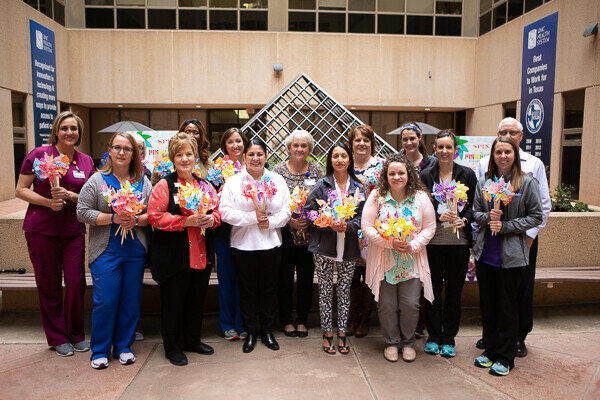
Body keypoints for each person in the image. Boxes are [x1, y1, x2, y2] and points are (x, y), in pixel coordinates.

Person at [15, 111, 94, 357]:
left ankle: (76, 334)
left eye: (74, 128)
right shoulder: (39, 155)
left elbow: (92, 198)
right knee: (48, 284)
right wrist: (48, 202)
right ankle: (58, 337)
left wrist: (72, 196)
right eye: (64, 128)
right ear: (56, 131)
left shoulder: (86, 162)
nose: (69, 132)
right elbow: (20, 189)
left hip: (73, 231)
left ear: (79, 132)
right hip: (42, 231)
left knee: (75, 282)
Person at [473, 117, 551, 357]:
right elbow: (476, 212)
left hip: (513, 252)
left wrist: (506, 226)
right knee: (489, 303)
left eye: (507, 151)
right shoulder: (485, 182)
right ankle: (490, 348)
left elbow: (537, 215)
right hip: (487, 252)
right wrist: (488, 218)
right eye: (498, 152)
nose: (502, 156)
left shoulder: (527, 182)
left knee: (509, 304)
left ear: (515, 153)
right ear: (493, 155)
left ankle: (506, 356)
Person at [77, 132, 152, 369]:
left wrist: (136, 221)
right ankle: (99, 349)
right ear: (109, 151)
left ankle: (124, 346)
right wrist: (113, 218)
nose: (121, 152)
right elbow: (82, 211)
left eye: (127, 149)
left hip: (134, 250)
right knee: (106, 300)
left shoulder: (143, 181)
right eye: (117, 147)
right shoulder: (97, 181)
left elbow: (152, 214)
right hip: (106, 251)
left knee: (130, 301)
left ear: (134, 154)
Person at [147, 132, 221, 366]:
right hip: (174, 256)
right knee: (174, 302)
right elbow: (154, 217)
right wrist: (183, 222)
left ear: (196, 156)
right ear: (172, 159)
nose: (185, 159)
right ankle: (173, 347)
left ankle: (192, 340)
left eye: (189, 154)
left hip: (200, 254)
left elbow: (217, 212)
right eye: (179, 155)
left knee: (195, 300)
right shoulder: (164, 185)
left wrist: (213, 220)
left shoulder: (205, 185)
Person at [361, 153, 436, 363]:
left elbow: (430, 227)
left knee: (411, 304)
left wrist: (413, 245)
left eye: (401, 172)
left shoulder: (420, 197)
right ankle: (391, 343)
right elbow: (366, 226)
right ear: (386, 175)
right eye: (392, 173)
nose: (396, 177)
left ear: (409, 174)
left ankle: (408, 342)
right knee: (386, 305)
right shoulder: (377, 196)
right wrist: (389, 243)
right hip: (385, 259)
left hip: (411, 260)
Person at [219, 139, 292, 353]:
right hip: (243, 244)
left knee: (269, 288)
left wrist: (271, 222)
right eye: (251, 154)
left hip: (271, 242)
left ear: (266, 156)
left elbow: (287, 209)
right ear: (244, 157)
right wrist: (252, 217)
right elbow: (224, 211)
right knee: (247, 290)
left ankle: (267, 330)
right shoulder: (234, 182)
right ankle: (250, 331)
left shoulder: (277, 180)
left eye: (260, 154)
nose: (255, 158)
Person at [419, 130, 477, 358]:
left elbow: (474, 206)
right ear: (434, 148)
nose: (444, 151)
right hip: (433, 242)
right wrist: (435, 215)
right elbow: (420, 207)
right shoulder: (425, 176)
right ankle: (433, 336)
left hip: (459, 244)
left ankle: (449, 337)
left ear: (455, 150)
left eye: (449, 147)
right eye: (440, 147)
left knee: (454, 292)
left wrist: (464, 219)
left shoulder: (467, 174)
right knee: (432, 291)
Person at [304, 143, 365, 355]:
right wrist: (325, 221)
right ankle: (327, 333)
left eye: (343, 156)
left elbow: (363, 218)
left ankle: (342, 334)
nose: (339, 159)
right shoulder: (322, 185)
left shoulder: (358, 187)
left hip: (348, 248)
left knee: (345, 292)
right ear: (330, 160)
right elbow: (308, 211)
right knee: (325, 291)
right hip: (324, 247)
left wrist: (348, 226)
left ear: (349, 160)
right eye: (335, 156)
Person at [273, 129, 324, 338]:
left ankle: (302, 320)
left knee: (305, 277)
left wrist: (308, 221)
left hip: (310, 233)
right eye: (296, 145)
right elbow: (273, 203)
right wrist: (289, 221)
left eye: (304, 146)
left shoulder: (317, 170)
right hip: (284, 232)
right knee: (283, 277)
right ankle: (286, 319)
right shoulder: (277, 171)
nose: (300, 149)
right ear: (289, 148)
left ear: (310, 149)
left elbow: (323, 200)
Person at [347, 125, 384, 338]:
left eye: (366, 140)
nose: (362, 144)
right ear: (351, 143)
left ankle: (365, 318)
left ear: (372, 143)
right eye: (357, 140)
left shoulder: (381, 165)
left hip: (373, 229)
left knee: (370, 276)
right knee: (351, 275)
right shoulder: (345, 164)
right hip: (350, 229)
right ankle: (351, 316)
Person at [399, 121, 435, 338]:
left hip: (423, 228)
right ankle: (402, 323)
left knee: (421, 277)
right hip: (400, 229)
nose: (409, 142)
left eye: (413, 138)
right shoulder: (396, 161)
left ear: (420, 138)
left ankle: (420, 325)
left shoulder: (431, 164)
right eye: (405, 139)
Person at [213, 127, 247, 341]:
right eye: (230, 142)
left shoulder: (253, 165)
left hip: (246, 230)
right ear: (224, 146)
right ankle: (227, 323)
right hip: (224, 231)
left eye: (239, 141)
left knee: (244, 279)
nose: (235, 145)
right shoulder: (218, 169)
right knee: (226, 278)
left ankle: (242, 322)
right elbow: (210, 199)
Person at [150, 119, 214, 185]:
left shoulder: (208, 163)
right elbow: (154, 184)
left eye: (195, 133)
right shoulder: (165, 158)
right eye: (187, 132)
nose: (191, 135)